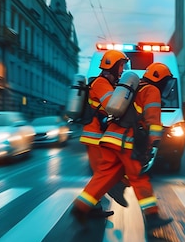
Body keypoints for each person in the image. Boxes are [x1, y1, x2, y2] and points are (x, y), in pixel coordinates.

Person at [71, 62, 174, 232]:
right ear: (160, 80)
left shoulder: (135, 87)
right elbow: (153, 119)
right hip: (127, 142)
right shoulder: (151, 90)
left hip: (110, 139)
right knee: (139, 176)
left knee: (103, 177)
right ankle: (152, 215)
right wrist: (155, 142)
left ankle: (80, 207)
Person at [78, 50, 130, 218]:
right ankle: (82, 208)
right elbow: (111, 106)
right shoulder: (101, 83)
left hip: (98, 135)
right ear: (113, 66)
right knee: (104, 173)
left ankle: (93, 207)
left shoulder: (108, 83)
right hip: (94, 136)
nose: (122, 69)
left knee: (101, 174)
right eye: (121, 65)